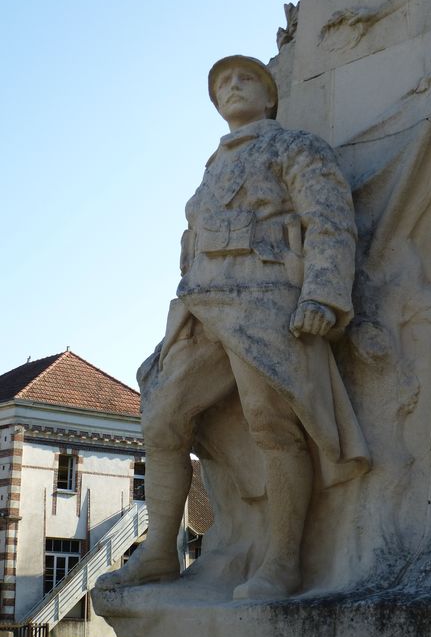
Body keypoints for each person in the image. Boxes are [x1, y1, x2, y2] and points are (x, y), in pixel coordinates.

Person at [96, 55, 370, 600]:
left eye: (245, 79)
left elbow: (330, 220)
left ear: (271, 98)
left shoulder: (295, 146)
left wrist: (321, 293)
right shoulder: (211, 166)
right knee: (162, 419)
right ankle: (157, 555)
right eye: (223, 84)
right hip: (202, 308)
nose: (232, 87)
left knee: (273, 425)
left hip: (267, 301)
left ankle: (282, 563)